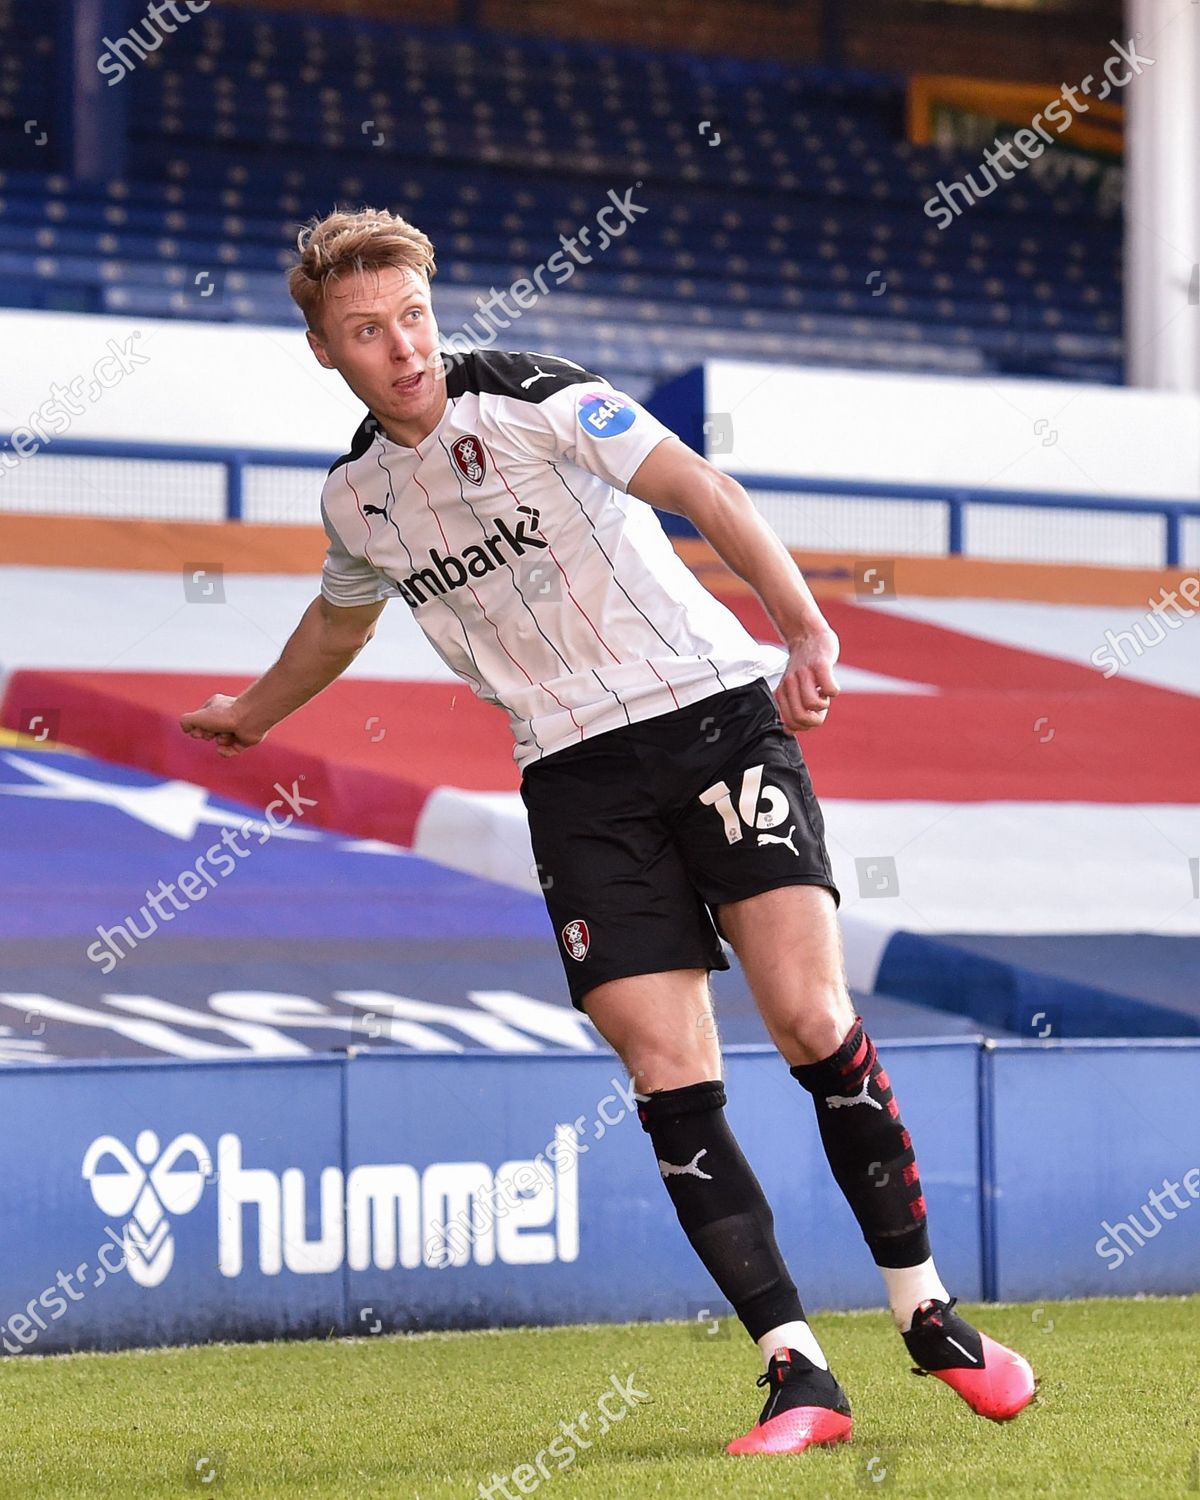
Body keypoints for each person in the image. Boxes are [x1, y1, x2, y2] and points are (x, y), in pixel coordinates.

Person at [180, 207, 1035, 1455]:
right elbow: (339, 619)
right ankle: (797, 1371)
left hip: (712, 721)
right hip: (572, 779)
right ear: (326, 351)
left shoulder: (536, 398)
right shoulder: (357, 498)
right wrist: (254, 714)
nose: (404, 344)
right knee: (663, 1067)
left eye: (414, 314)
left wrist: (801, 624)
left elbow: (699, 486)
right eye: (367, 330)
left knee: (807, 1016)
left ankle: (929, 1313)